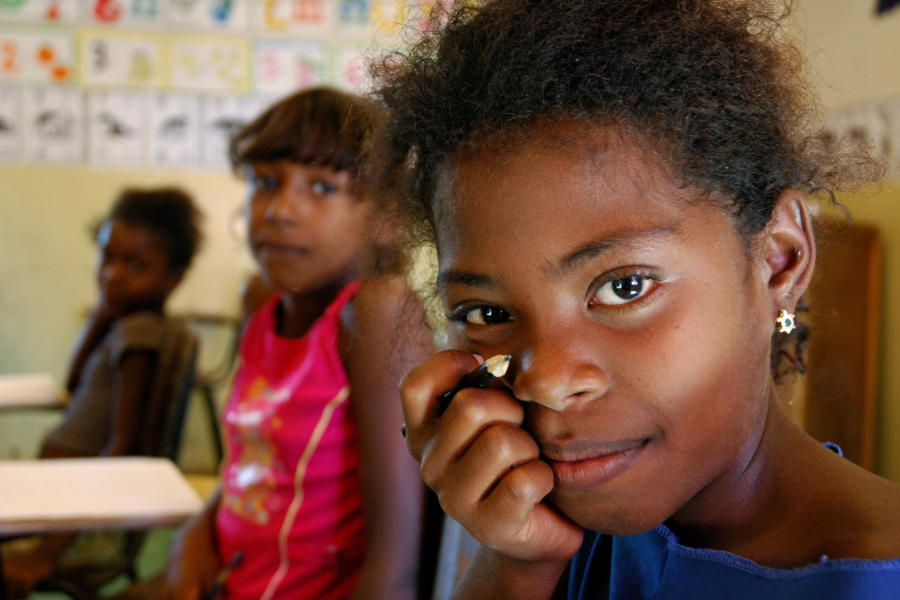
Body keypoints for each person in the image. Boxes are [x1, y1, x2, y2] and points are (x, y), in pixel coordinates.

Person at [372, 1, 900, 598]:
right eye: (489, 315)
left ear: (780, 258)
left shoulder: (871, 580)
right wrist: (518, 563)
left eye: (625, 287)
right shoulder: (556, 539)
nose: (544, 381)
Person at [158, 86, 435, 600]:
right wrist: (198, 528)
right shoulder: (261, 305)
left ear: (387, 216)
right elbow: (257, 461)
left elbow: (397, 563)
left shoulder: (376, 313)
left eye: (323, 188)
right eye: (266, 182)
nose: (281, 210)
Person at [2, 187, 203, 598]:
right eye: (107, 257)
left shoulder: (140, 336)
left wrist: (47, 552)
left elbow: (122, 445)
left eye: (135, 265)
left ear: (175, 276)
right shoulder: (125, 325)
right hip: (54, 494)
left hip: (69, 505)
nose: (113, 273)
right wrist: (101, 313)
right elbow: (74, 383)